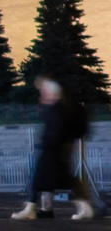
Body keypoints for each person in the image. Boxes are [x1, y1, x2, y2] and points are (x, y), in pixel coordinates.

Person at [12, 76, 96, 221]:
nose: (41, 95)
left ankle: (36, 208)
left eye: (43, 91)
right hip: (56, 147)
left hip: (54, 148)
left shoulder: (58, 109)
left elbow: (55, 130)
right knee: (43, 178)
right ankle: (37, 208)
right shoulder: (63, 107)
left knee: (52, 178)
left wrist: (50, 142)